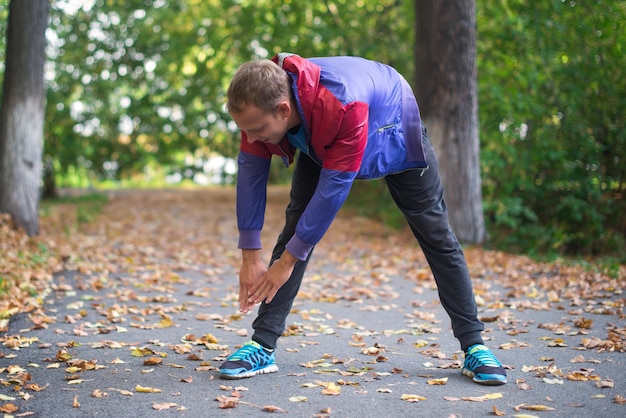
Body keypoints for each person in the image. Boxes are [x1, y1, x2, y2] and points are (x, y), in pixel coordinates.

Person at [219, 52, 507, 386]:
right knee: (295, 230)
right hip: (322, 139)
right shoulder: (257, 105)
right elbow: (250, 173)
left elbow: (332, 193)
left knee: (438, 237)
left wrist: (286, 263)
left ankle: (475, 347)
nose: (251, 137)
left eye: (257, 130)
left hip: (394, 132)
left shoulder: (342, 104)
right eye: (246, 130)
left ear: (283, 110)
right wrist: (250, 256)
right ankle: (262, 345)